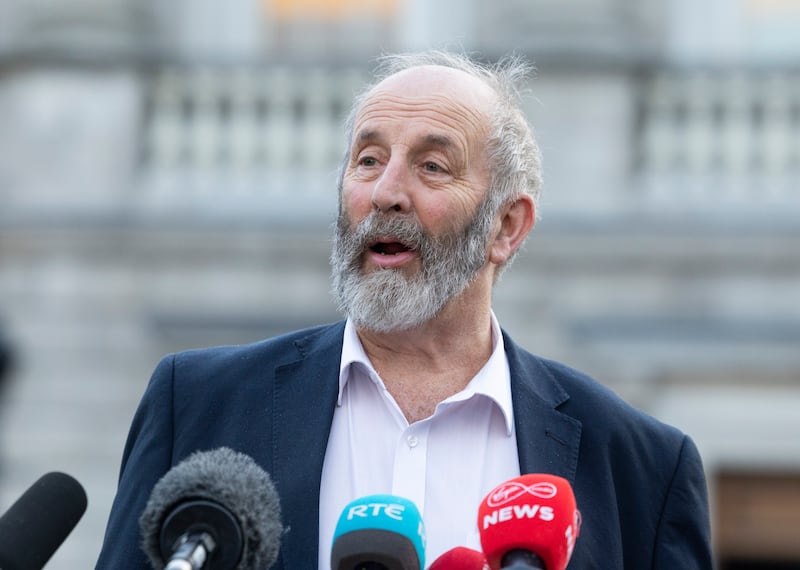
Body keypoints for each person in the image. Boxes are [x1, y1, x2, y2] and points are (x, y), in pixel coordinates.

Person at [96, 51, 712, 569]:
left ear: (506, 225)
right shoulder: (198, 405)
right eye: (367, 160)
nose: (385, 193)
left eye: (432, 166)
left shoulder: (641, 468)